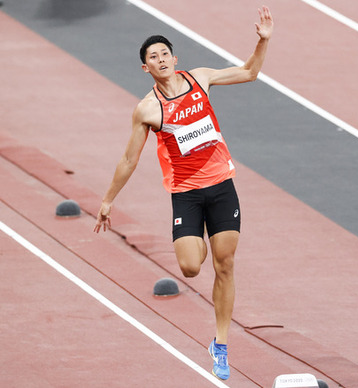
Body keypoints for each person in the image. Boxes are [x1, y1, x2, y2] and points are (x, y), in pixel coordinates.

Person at [93, 6, 273, 380]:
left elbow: (250, 72)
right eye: (151, 58)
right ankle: (198, 237)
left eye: (163, 54)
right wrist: (108, 199)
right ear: (145, 68)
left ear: (174, 58)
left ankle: (220, 344)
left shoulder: (201, 79)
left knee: (225, 265)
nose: (159, 60)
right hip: (186, 194)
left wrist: (262, 41)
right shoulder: (148, 110)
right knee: (192, 267)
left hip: (222, 186)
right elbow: (129, 160)